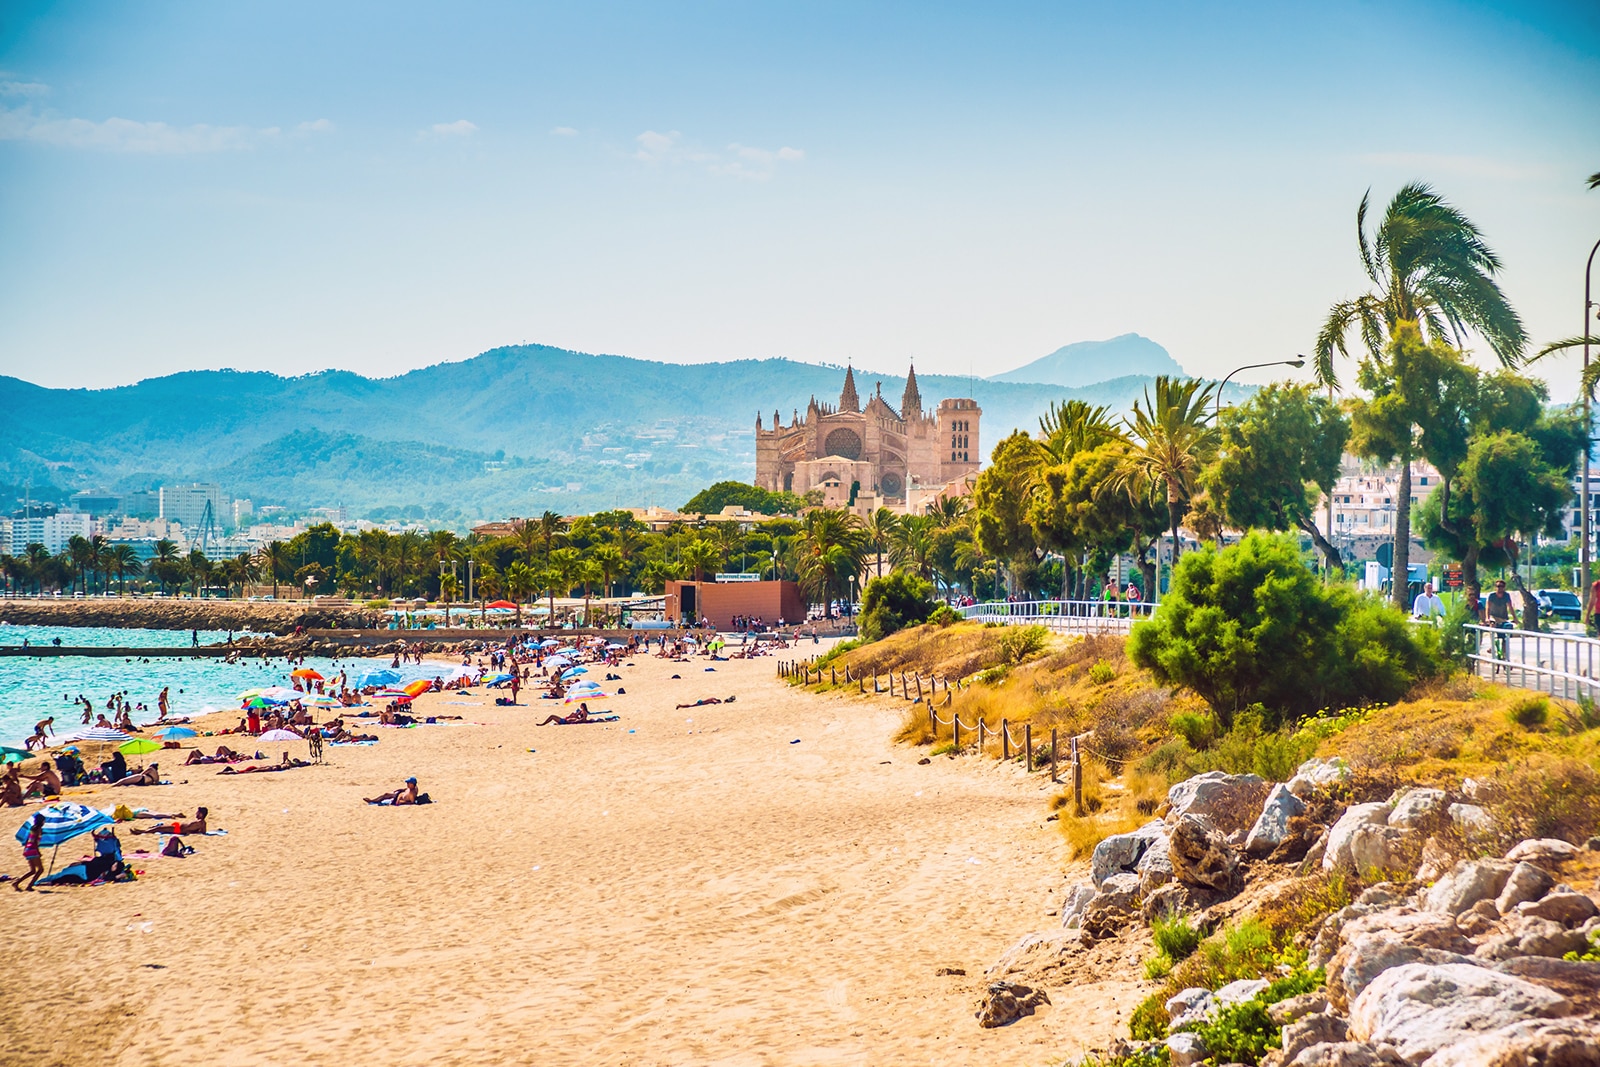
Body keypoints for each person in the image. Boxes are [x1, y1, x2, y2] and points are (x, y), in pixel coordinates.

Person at [14, 813, 45, 891]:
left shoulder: (32, 828)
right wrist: (38, 851)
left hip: (28, 849)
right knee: (40, 870)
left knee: (32, 871)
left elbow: (28, 840)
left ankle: (17, 883)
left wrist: (25, 849)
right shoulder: (39, 829)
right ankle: (29, 886)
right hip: (33, 849)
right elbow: (34, 842)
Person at [132, 807, 208, 835]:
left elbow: (202, 832)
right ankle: (144, 830)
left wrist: (191, 831)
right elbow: (201, 831)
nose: (196, 813)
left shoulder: (200, 822)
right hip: (179, 827)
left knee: (159, 828)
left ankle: (142, 832)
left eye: (198, 812)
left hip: (179, 829)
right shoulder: (201, 822)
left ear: (201, 814)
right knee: (160, 827)